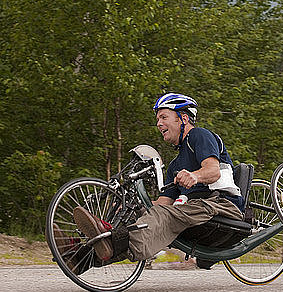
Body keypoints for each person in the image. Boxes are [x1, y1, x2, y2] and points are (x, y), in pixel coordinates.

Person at [67, 93, 244, 272]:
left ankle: (109, 240)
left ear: (183, 118)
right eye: (158, 119)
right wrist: (133, 208)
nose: (158, 123)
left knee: (164, 215)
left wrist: (195, 176)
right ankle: (79, 258)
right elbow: (161, 204)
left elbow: (213, 171)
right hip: (197, 211)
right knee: (140, 216)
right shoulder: (175, 165)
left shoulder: (199, 136)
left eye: (164, 117)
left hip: (221, 205)